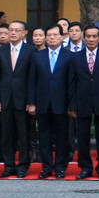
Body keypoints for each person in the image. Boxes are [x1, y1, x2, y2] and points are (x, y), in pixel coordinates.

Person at [26, 24, 73, 179]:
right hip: (42, 102)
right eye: (49, 35)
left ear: (61, 37)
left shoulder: (69, 56)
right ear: (46, 38)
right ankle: (46, 167)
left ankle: (60, 167)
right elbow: (31, 81)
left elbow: (72, 82)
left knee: (62, 137)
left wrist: (71, 105)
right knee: (44, 137)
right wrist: (31, 102)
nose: (52, 38)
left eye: (55, 35)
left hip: (62, 103)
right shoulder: (37, 56)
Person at [68, 24, 99, 179]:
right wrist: (72, 104)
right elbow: (72, 83)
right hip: (82, 101)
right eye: (88, 36)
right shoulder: (75, 57)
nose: (91, 39)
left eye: (94, 36)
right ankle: (85, 167)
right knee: (82, 137)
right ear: (84, 37)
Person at [0, 20, 35, 178]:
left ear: (24, 33)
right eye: (11, 30)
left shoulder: (30, 51)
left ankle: (23, 166)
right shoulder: (1, 51)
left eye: (17, 30)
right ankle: (9, 165)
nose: (13, 33)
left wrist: (31, 101)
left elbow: (32, 78)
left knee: (23, 134)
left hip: (23, 100)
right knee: (6, 134)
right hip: (5, 99)